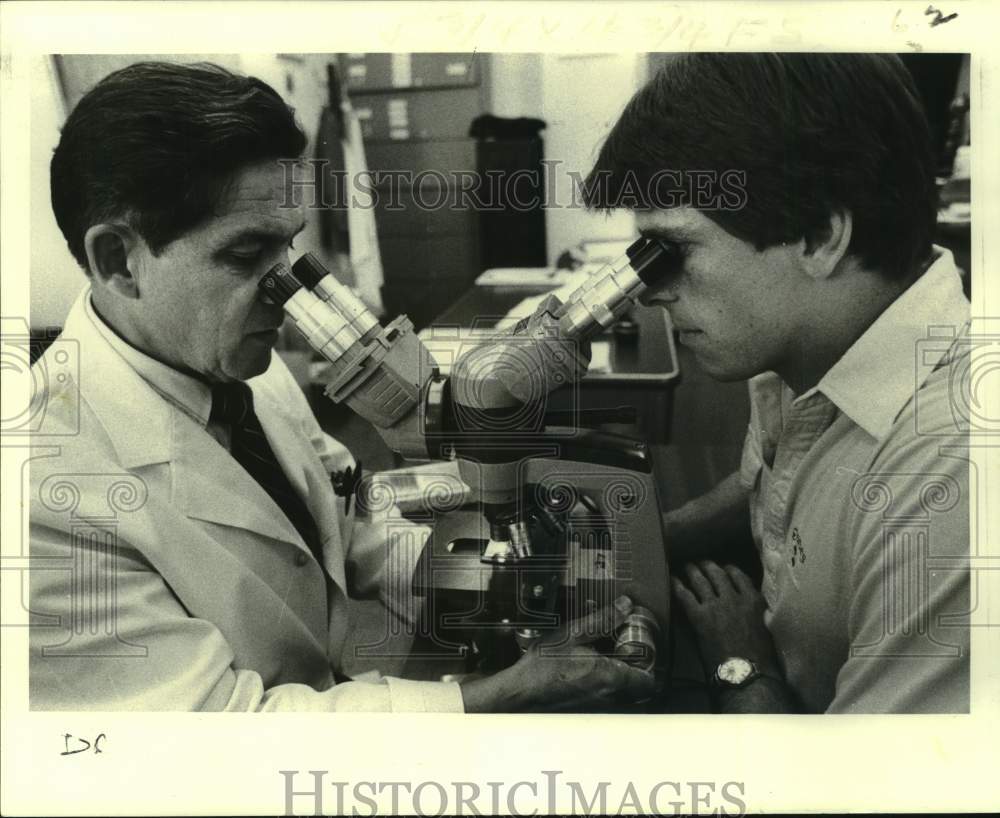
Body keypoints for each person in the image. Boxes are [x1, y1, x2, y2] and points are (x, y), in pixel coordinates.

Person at [29, 61, 654, 712]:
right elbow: (220, 739)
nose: (290, 294)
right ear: (118, 262)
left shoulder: (239, 366)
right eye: (247, 256)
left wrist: (491, 586)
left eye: (291, 253)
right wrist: (489, 696)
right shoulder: (40, 498)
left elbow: (350, 518)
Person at [584, 53, 970, 713]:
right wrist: (647, 542)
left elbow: (853, 795)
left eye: (672, 252)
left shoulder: (953, 475)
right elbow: (775, 491)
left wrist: (743, 666)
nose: (651, 293)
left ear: (818, 237)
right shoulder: (810, 350)